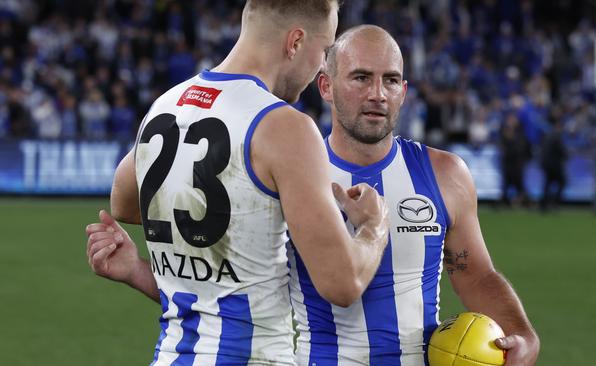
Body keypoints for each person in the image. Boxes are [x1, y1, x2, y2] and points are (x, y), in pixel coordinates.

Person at [85, 1, 390, 365]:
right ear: (295, 43)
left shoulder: (167, 105)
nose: (320, 67)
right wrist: (374, 225)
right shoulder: (284, 126)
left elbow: (124, 204)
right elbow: (342, 282)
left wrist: (140, 268)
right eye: (324, 51)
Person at [286, 25, 540, 366]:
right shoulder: (292, 173)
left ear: (403, 92)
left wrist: (521, 332)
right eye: (361, 77)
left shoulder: (446, 174)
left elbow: (475, 275)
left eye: (390, 80)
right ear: (326, 86)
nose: (378, 93)